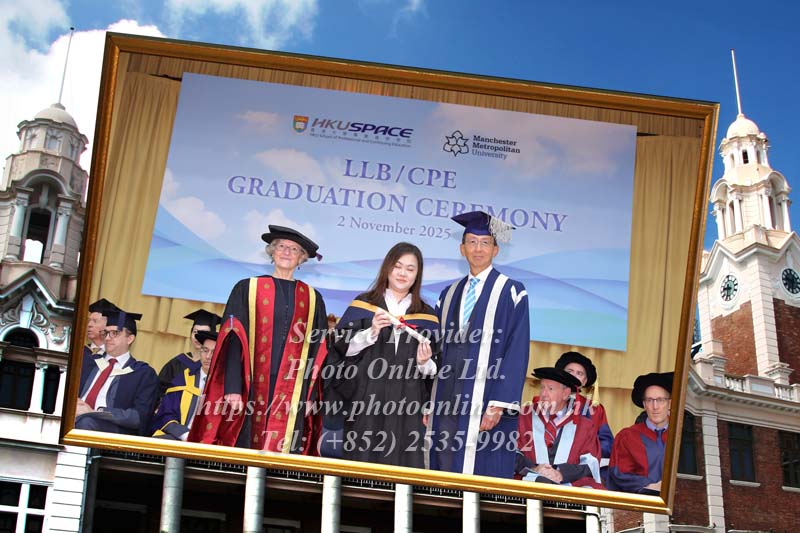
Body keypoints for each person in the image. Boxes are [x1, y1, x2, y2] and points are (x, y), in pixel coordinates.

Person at [188, 225, 329, 454]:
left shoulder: (313, 298)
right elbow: (232, 340)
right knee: (245, 445)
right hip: (250, 384)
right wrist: (233, 387)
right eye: (281, 246)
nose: (286, 252)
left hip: (294, 390)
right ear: (272, 251)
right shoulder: (248, 289)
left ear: (302, 258)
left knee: (285, 451)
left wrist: (310, 395)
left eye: (294, 249)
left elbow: (318, 350)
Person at [428, 211, 530, 478]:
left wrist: (498, 403)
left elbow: (517, 350)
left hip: (486, 399)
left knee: (480, 470)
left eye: (485, 243)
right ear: (462, 249)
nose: (478, 249)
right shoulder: (448, 294)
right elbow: (435, 349)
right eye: (472, 242)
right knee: (444, 465)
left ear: (496, 249)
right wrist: (429, 401)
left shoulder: (511, 291)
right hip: (446, 398)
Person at [330, 242, 439, 468]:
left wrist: (424, 362)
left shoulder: (426, 316)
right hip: (366, 400)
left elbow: (437, 367)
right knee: (361, 465)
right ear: (387, 268)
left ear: (417, 275)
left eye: (410, 269)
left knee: (402, 467)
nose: (403, 273)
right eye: (398, 266)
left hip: (407, 406)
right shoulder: (364, 305)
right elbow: (341, 349)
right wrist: (370, 332)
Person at [515, 367, 603, 488]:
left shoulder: (584, 427)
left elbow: (590, 464)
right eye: (542, 388)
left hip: (569, 484)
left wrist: (561, 473)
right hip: (528, 481)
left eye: (550, 389)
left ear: (565, 393)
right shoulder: (523, 417)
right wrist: (534, 468)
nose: (544, 394)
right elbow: (511, 453)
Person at [75, 309, 159, 435]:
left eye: (115, 333)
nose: (108, 338)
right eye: (106, 333)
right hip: (76, 416)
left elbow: (138, 417)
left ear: (129, 339)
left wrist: (95, 412)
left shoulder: (143, 373)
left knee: (86, 422)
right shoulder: (88, 362)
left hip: (111, 428)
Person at [608, 372, 674, 495]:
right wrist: (650, 486)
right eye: (649, 400)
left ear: (670, 403)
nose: (655, 407)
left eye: (660, 400)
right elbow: (620, 474)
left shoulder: (682, 436)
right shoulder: (627, 437)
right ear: (644, 405)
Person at [152, 330, 217, 440]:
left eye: (214, 352)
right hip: (180, 438)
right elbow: (166, 414)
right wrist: (185, 435)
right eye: (205, 350)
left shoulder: (226, 387)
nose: (208, 356)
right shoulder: (183, 380)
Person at [555, 351, 614, 461]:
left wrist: (584, 452)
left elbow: (607, 444)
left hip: (581, 465)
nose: (573, 376)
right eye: (569, 371)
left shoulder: (595, 409)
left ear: (584, 381)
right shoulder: (547, 402)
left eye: (579, 374)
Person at [156, 309, 221, 398]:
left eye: (203, 333)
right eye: (195, 332)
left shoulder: (213, 366)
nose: (197, 337)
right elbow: (160, 389)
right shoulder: (177, 363)